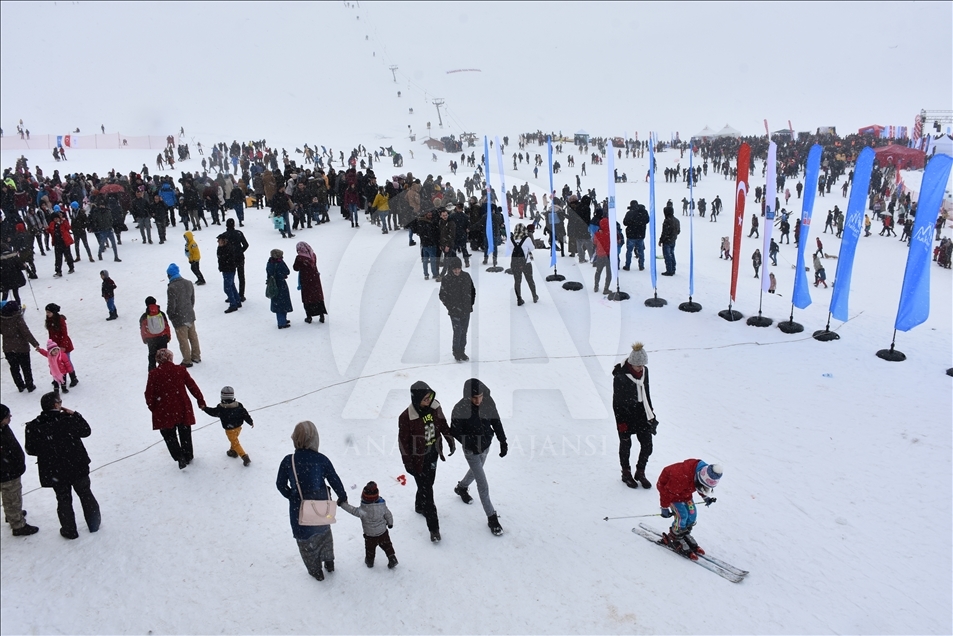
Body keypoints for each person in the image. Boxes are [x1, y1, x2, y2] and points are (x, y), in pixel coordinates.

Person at [276, 421, 347, 581]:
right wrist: (342, 496)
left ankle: (316, 571)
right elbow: (334, 479)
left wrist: (292, 496)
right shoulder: (321, 460)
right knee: (324, 535)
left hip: (299, 510)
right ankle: (329, 562)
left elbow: (280, 484)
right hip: (321, 508)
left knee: (306, 543)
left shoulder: (289, 461)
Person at [24, 392, 101, 540]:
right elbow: (86, 431)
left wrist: (49, 449)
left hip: (55, 471)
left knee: (63, 499)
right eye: (59, 401)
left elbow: (31, 449)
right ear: (56, 405)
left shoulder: (33, 426)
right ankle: (94, 524)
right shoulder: (67, 420)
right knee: (85, 494)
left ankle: (69, 530)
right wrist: (75, 414)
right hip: (77, 466)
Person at [397, 381, 456, 543]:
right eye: (424, 398)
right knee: (428, 492)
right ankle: (434, 528)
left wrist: (449, 439)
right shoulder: (406, 417)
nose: (428, 401)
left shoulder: (435, 407)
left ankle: (419, 505)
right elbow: (403, 443)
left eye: (430, 397)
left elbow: (442, 423)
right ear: (416, 399)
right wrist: (408, 464)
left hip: (433, 455)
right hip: (418, 460)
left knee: (427, 484)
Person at [449, 378, 507, 536]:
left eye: (480, 396)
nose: (478, 400)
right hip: (471, 451)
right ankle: (492, 518)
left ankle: (461, 487)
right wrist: (470, 443)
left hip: (486, 445)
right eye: (474, 397)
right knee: (483, 484)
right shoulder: (460, 408)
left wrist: (503, 440)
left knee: (477, 470)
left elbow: (496, 421)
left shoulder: (487, 401)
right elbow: (455, 430)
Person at [144, 348, 206, 469]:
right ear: (170, 358)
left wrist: (153, 407)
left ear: (158, 360)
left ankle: (179, 456)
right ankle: (188, 455)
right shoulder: (180, 370)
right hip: (182, 406)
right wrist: (200, 400)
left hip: (163, 409)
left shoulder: (154, 374)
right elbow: (192, 386)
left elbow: (148, 394)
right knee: (185, 432)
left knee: (169, 435)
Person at [612, 343, 658, 489]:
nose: (641, 368)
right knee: (626, 444)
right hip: (625, 414)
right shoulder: (620, 376)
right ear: (631, 363)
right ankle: (626, 473)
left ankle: (640, 471)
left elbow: (647, 392)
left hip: (642, 412)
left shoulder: (645, 372)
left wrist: (651, 412)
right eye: (638, 365)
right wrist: (621, 423)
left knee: (647, 445)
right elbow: (617, 402)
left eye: (643, 365)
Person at [657, 459, 722, 558]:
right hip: (671, 493)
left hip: (685, 493)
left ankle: (684, 533)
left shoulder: (704, 471)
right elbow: (667, 493)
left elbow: (699, 485)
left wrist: (704, 496)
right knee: (682, 516)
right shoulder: (680, 477)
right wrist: (664, 507)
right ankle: (674, 536)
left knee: (692, 514)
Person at [338, 481, 399, 569]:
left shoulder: (363, 511)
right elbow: (388, 514)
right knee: (387, 546)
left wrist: (342, 504)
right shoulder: (382, 506)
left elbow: (352, 510)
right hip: (383, 532)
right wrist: (390, 523)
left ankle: (369, 561)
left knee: (370, 549)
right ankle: (392, 558)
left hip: (370, 535)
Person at [1, 403, 39, 536]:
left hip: (10, 470)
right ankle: (18, 525)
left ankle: (12, 514)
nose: (10, 417)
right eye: (7, 416)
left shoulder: (3, 427)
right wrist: (11, 467)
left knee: (12, 497)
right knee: (12, 497)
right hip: (6, 473)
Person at [201, 386, 254, 466]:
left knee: (235, 442)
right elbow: (245, 414)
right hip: (238, 427)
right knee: (234, 440)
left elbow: (213, 412)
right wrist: (250, 422)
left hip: (230, 429)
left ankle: (244, 456)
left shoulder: (221, 408)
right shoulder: (239, 405)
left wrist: (205, 408)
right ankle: (232, 451)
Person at [438, 257, 475, 361]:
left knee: (464, 332)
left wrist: (470, 303)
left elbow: (472, 291)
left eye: (458, 269)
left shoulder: (466, 276)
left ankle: (462, 351)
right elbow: (442, 295)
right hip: (454, 311)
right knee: (457, 331)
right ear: (451, 269)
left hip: (466, 310)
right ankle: (456, 352)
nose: (457, 271)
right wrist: (451, 307)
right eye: (455, 269)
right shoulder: (447, 279)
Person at [166, 263, 201, 367]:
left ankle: (187, 360)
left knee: (183, 339)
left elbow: (171, 305)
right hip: (190, 315)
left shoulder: (172, 287)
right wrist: (189, 309)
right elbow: (192, 300)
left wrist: (171, 315)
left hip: (179, 318)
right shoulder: (189, 283)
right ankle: (196, 355)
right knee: (193, 337)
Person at [0, 300, 39, 392]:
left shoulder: (1, 318)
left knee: (14, 368)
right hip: (22, 348)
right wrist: (35, 344)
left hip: (8, 348)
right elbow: (26, 332)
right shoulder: (17, 318)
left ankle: (20, 385)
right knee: (26, 367)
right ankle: (30, 385)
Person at [292, 242, 328, 324]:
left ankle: (309, 317)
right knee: (317, 297)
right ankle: (321, 315)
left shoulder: (299, 258)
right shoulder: (313, 255)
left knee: (307, 298)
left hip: (306, 280)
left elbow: (295, 268)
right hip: (315, 278)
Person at [139, 296, 171, 370]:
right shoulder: (161, 314)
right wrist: (168, 336)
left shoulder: (144, 316)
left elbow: (143, 328)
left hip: (151, 339)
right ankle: (165, 371)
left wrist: (145, 339)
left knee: (152, 356)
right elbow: (166, 325)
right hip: (162, 337)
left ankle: (152, 371)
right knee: (163, 356)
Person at [509, 223, 538, 306]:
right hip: (526, 263)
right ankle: (534, 296)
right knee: (530, 280)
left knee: (517, 281)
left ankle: (519, 299)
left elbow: (510, 248)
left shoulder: (511, 239)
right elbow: (532, 248)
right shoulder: (527, 239)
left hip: (515, 263)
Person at [221, 219, 249, 301]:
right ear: (234, 225)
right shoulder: (239, 233)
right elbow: (246, 245)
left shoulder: (224, 235)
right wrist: (240, 251)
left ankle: (232, 295)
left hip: (229, 259)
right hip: (239, 257)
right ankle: (241, 295)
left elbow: (222, 248)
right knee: (241, 276)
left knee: (230, 277)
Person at [266, 249, 293, 328]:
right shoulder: (280, 263)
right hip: (281, 285)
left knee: (277, 304)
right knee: (283, 303)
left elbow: (268, 273)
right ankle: (282, 323)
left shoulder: (269, 263)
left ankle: (282, 319)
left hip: (273, 286)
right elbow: (287, 271)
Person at [622, 201, 649, 271]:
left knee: (629, 251)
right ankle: (641, 265)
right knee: (641, 251)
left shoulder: (630, 213)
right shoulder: (643, 212)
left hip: (631, 235)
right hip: (641, 235)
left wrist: (631, 222)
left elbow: (625, 223)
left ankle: (627, 265)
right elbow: (647, 220)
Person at [217, 236, 241, 313]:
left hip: (229, 270)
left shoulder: (228, 249)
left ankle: (233, 304)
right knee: (231, 285)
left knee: (227, 288)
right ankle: (237, 301)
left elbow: (227, 259)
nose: (218, 242)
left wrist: (224, 265)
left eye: (219, 241)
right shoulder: (222, 248)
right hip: (227, 269)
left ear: (224, 241)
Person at [659, 203, 680, 275]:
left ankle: (669, 270)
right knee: (672, 254)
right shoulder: (676, 220)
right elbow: (678, 231)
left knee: (667, 256)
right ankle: (673, 269)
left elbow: (664, 232)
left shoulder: (667, 221)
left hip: (667, 240)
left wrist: (661, 240)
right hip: (673, 240)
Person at [593, 217, 612, 293]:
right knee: (609, 272)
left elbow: (594, 242)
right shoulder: (611, 233)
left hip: (600, 254)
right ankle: (606, 288)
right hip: (608, 255)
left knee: (598, 271)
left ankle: (596, 286)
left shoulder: (597, 234)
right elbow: (617, 241)